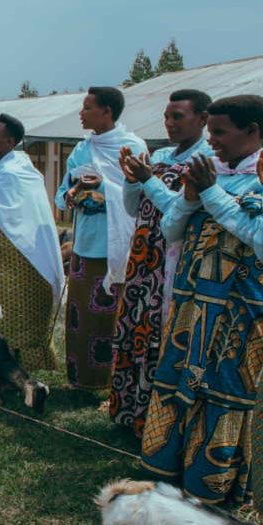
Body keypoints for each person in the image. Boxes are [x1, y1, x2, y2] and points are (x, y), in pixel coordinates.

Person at [142, 95, 263, 505]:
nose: (211, 140)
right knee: (181, 378)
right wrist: (192, 197)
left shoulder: (258, 177)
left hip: (239, 310)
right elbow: (172, 229)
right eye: (209, 131)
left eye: (220, 132)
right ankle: (173, 468)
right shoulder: (211, 171)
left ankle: (214, 483)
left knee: (224, 388)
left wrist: (209, 193)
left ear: (252, 131)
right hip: (192, 303)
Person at [110, 89, 212, 437]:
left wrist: (146, 179)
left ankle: (157, 418)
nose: (169, 123)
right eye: (167, 117)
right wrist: (130, 179)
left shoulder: (206, 160)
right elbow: (132, 207)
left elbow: (177, 207)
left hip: (173, 255)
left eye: (178, 117)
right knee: (138, 324)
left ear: (203, 119)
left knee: (162, 330)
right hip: (144, 254)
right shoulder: (161, 155)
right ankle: (131, 408)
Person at [54, 86, 147, 391]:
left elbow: (140, 195)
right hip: (84, 244)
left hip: (115, 246)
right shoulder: (82, 149)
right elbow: (61, 194)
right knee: (80, 315)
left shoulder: (131, 147)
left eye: (87, 107)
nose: (81, 113)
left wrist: (103, 187)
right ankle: (80, 378)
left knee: (109, 316)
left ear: (107, 112)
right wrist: (71, 195)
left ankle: (109, 381)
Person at [0, 113, 64, 371]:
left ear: (9, 142)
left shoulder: (14, 172)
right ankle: (0, 363)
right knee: (3, 307)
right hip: (3, 252)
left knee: (16, 308)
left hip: (19, 253)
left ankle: (21, 364)